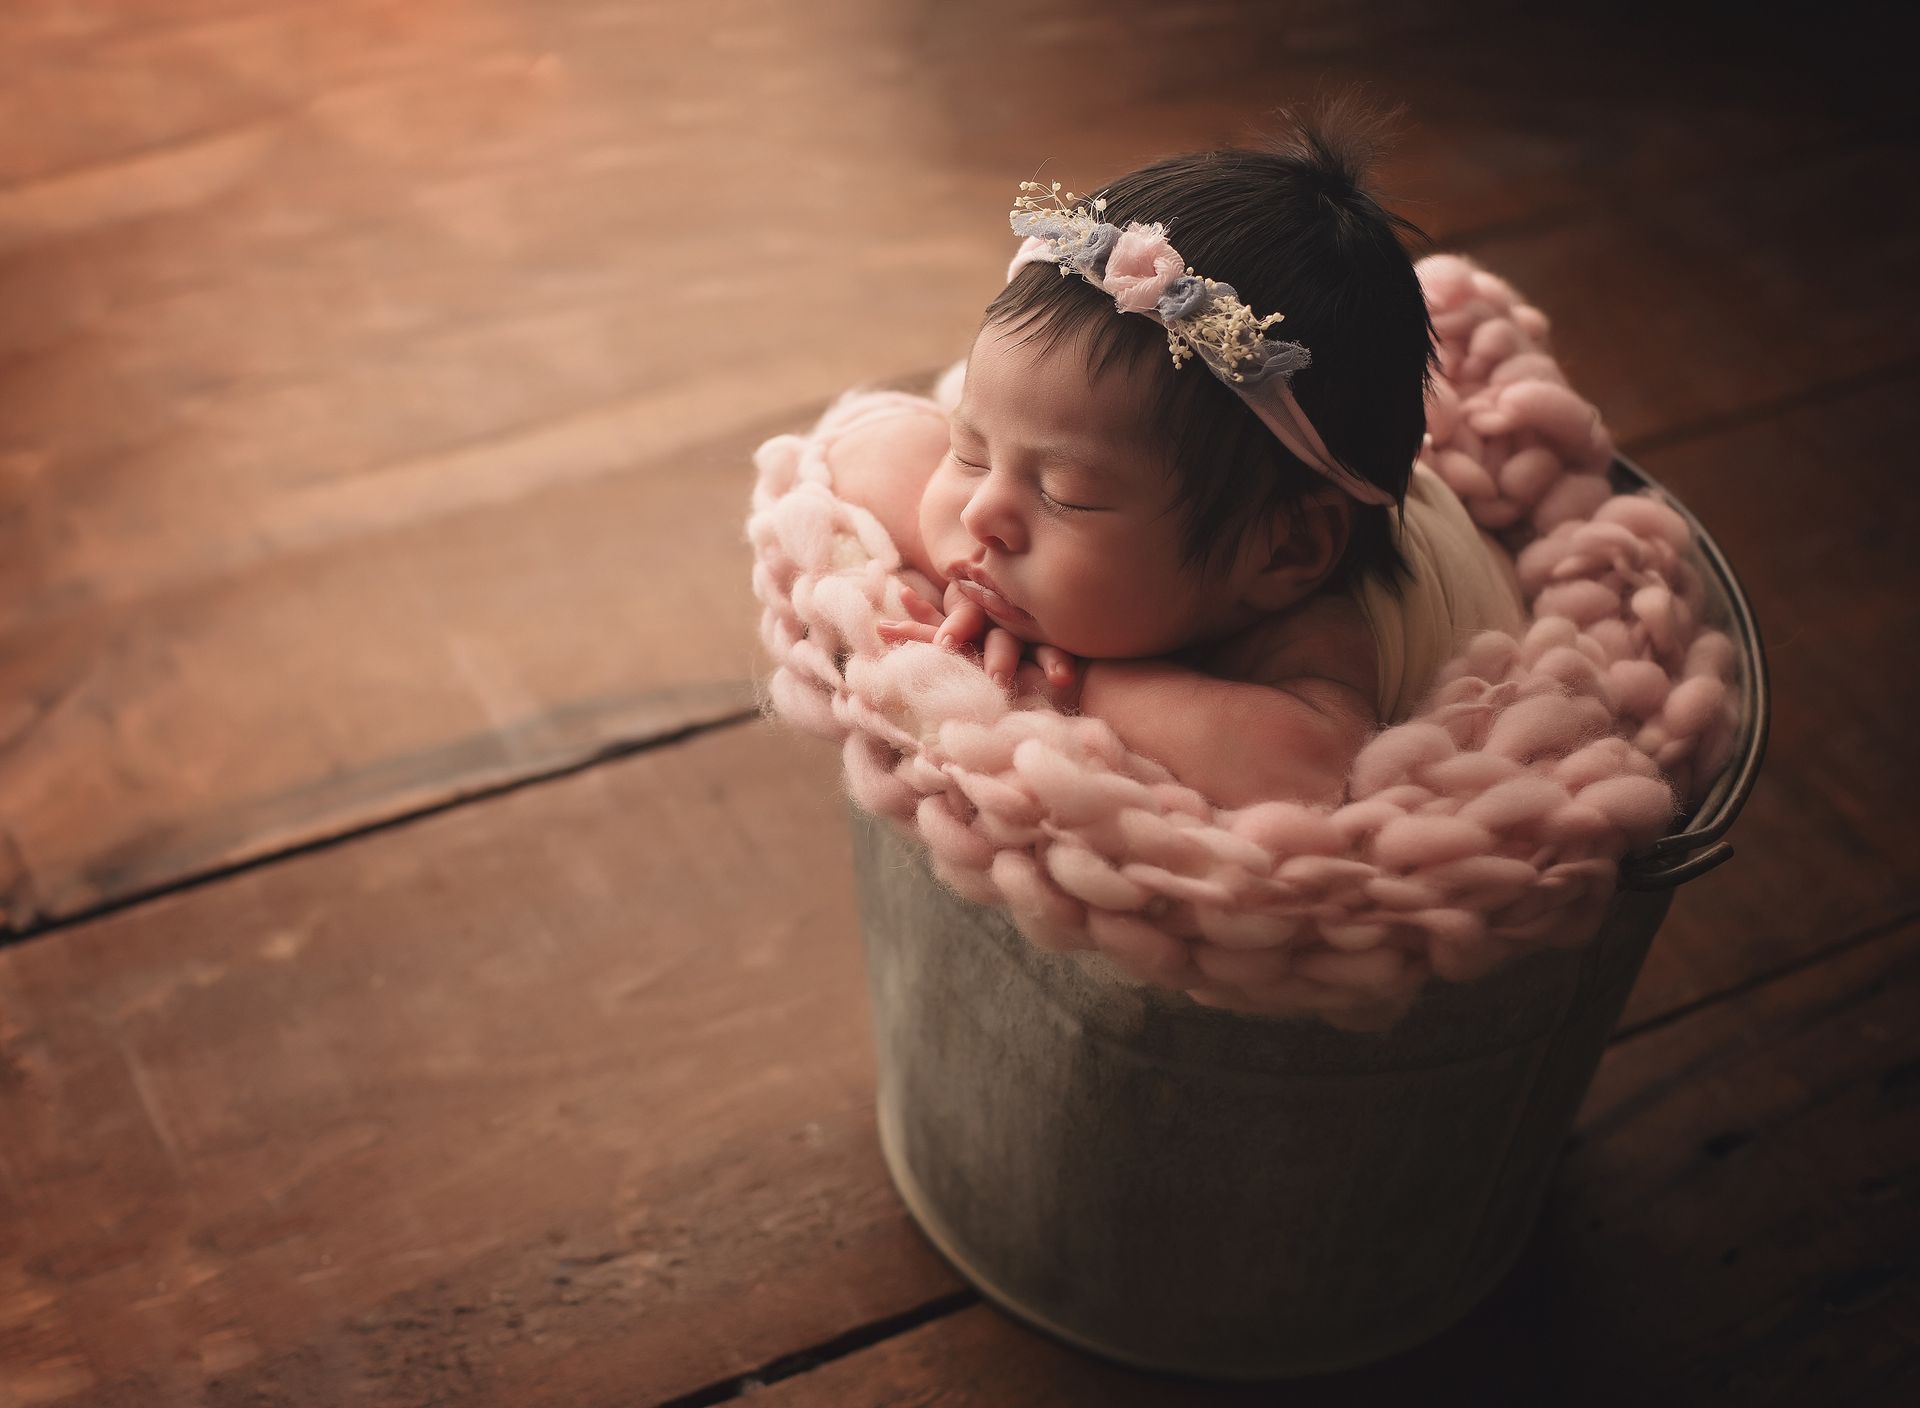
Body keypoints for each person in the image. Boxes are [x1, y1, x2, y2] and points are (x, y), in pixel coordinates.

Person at [831, 101, 1526, 809]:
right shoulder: (1112, 510)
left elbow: (1299, 767)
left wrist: (1059, 678)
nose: (981, 515)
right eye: (969, 451)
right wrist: (976, 588)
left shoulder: (1316, 632)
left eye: (1066, 494)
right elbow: (866, 446)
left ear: (1284, 551)